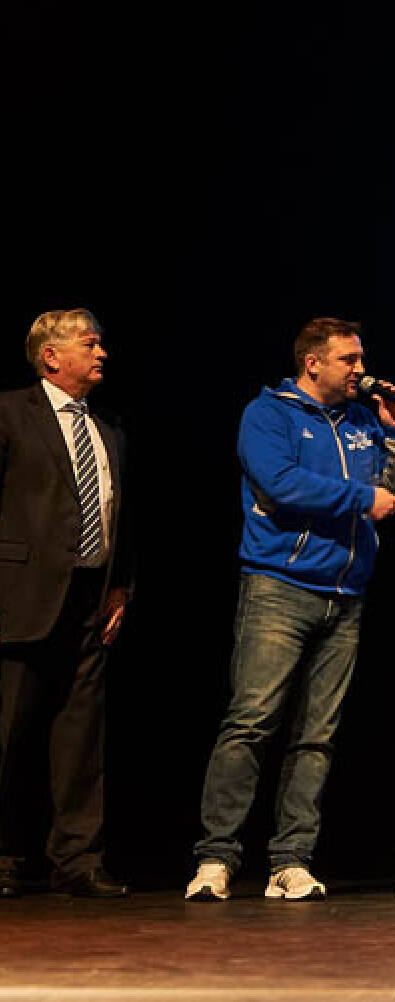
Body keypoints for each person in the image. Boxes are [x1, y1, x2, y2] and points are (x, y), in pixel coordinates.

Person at [186, 318, 395, 902]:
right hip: (280, 587)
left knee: (317, 735)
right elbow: (282, 485)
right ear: (313, 363)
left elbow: (394, 492)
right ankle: (216, 858)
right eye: (349, 360)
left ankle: (291, 860)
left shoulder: (363, 419)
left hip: (346, 596)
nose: (361, 370)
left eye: (361, 358)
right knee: (251, 722)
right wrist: (362, 498)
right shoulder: (270, 415)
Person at [0, 310, 132, 898]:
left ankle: (78, 860)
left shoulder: (109, 429)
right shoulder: (9, 413)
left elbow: (121, 513)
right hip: (20, 596)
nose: (102, 353)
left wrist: (121, 584)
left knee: (80, 739)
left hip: (90, 596)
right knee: (8, 735)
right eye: (90, 344)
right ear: (51, 356)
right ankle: (3, 855)